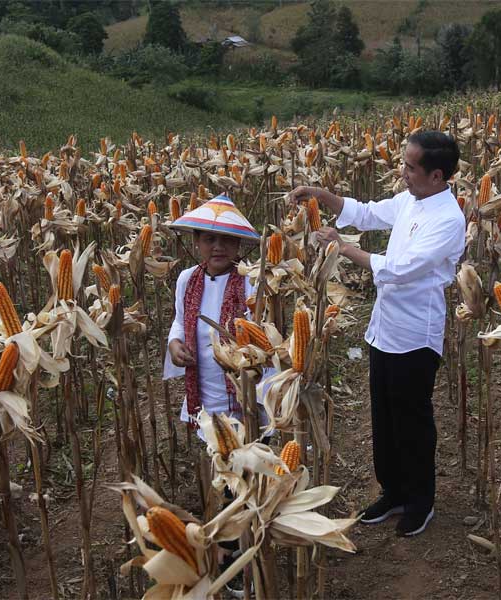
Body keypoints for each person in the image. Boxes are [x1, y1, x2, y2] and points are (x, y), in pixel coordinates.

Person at [289, 130, 465, 537]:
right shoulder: (412, 199)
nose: (401, 172)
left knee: (412, 420)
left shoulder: (448, 219)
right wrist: (322, 194)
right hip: (384, 328)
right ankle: (394, 490)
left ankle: (420, 501)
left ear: (437, 175)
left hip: (415, 335)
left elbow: (402, 269)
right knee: (384, 417)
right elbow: (368, 212)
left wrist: (343, 247)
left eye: (409, 166)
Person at [163, 193, 265, 597]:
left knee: (244, 482)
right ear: (197, 243)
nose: (217, 247)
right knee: (218, 483)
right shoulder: (187, 280)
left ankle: (248, 555)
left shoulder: (253, 281)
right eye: (208, 239)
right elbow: (177, 322)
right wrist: (174, 344)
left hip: (245, 402)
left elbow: (264, 338)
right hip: (203, 402)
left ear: (239, 245)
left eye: (225, 240)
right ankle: (226, 556)